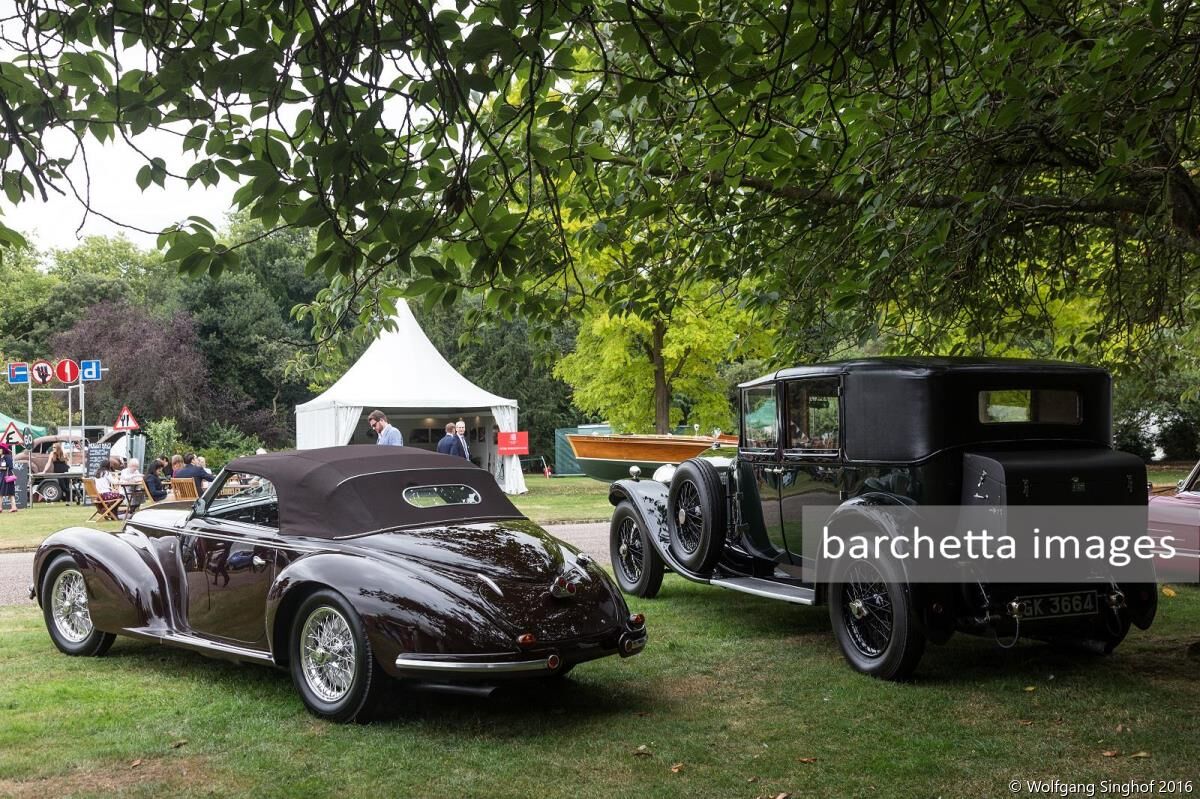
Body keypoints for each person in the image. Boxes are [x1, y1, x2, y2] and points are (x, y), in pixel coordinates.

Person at [0, 441, 17, 513]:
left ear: (3, 450)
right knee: (2, 492)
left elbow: (10, 467)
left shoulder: (7, 457)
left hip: (7, 475)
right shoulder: (1, 457)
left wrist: (1, 468)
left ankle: (13, 507)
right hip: (2, 475)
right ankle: (13, 507)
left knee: (9, 492)